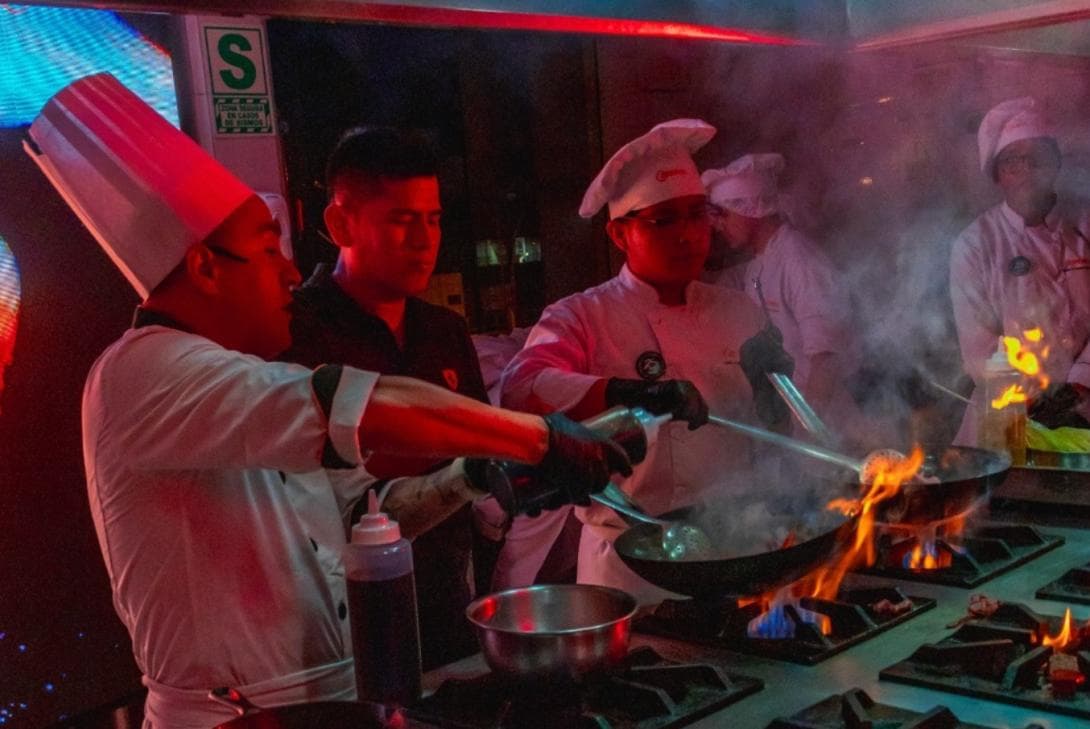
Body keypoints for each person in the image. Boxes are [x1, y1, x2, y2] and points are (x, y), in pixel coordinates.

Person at [26, 73, 629, 729]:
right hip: (235, 718)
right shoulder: (143, 372)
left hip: (330, 704)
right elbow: (357, 403)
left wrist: (470, 475)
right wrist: (535, 435)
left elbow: (364, 520)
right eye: (265, 251)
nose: (289, 271)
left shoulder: (233, 382)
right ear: (202, 267)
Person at [500, 119, 775, 605]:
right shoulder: (583, 316)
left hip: (734, 550)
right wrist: (629, 394)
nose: (689, 234)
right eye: (663, 221)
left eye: (697, 214)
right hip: (631, 570)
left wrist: (778, 395)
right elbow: (522, 385)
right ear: (619, 234)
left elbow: (776, 442)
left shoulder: (741, 312)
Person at [282, 126, 498, 670]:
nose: (426, 241)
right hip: (341, 638)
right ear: (340, 224)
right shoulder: (296, 333)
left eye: (434, 219)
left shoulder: (444, 330)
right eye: (402, 221)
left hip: (449, 620)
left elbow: (476, 453)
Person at [950, 96, 1090, 442]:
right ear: (997, 174)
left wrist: (1079, 384)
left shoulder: (1086, 224)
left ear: (1056, 164)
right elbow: (979, 349)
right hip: (1009, 414)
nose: (1026, 171)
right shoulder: (974, 245)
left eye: (1037, 159)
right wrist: (1035, 394)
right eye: (1013, 162)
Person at [701, 153, 858, 441]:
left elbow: (826, 357)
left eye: (723, 214)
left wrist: (808, 428)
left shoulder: (800, 260)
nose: (718, 226)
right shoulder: (758, 263)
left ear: (752, 209)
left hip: (828, 430)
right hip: (794, 424)